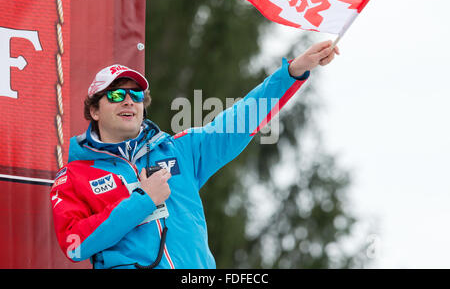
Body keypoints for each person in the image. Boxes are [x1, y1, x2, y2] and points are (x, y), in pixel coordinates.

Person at [50, 40, 339, 269]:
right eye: (115, 94)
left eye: (136, 95)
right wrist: (141, 201)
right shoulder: (74, 177)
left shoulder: (178, 150)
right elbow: (75, 244)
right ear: (94, 110)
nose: (128, 100)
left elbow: (241, 120)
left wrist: (292, 73)